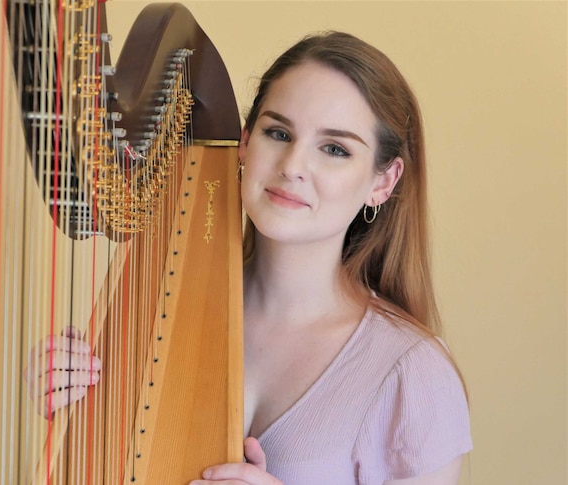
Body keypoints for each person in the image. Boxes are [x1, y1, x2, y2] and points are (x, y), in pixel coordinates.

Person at [25, 31, 472, 485]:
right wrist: (72, 408)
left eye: (334, 148)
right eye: (278, 133)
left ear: (384, 181)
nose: (293, 164)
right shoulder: (156, 311)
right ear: (243, 142)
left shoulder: (411, 373)